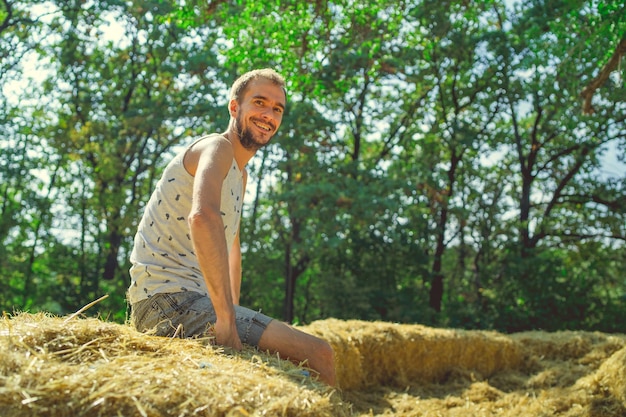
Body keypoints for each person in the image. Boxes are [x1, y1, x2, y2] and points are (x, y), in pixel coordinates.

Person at [127, 69, 336, 386]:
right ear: (234, 108)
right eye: (260, 102)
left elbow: (232, 252)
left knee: (292, 375)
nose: (268, 114)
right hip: (168, 304)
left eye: (277, 109)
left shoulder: (240, 174)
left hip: (190, 304)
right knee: (320, 354)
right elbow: (203, 217)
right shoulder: (217, 148)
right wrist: (226, 320)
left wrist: (232, 316)